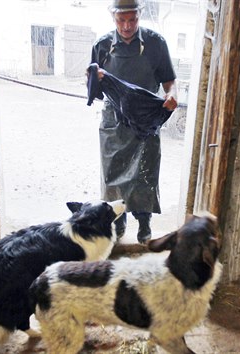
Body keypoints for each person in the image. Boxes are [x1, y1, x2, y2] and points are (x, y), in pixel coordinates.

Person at [89, 0, 177, 244]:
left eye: (132, 20)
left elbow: (169, 80)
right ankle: (119, 222)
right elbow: (93, 90)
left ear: (140, 15)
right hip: (113, 122)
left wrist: (171, 95)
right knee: (114, 174)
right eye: (121, 20)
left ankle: (144, 222)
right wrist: (93, 80)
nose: (127, 26)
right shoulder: (102, 45)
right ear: (113, 18)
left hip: (146, 120)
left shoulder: (155, 43)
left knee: (145, 173)